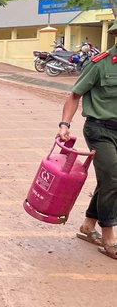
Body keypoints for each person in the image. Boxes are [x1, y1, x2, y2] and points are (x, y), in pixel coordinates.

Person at [58, 20, 117, 259]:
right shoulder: (100, 63)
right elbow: (75, 95)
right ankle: (109, 236)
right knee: (113, 177)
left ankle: (88, 225)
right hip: (99, 129)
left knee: (108, 178)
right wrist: (64, 124)